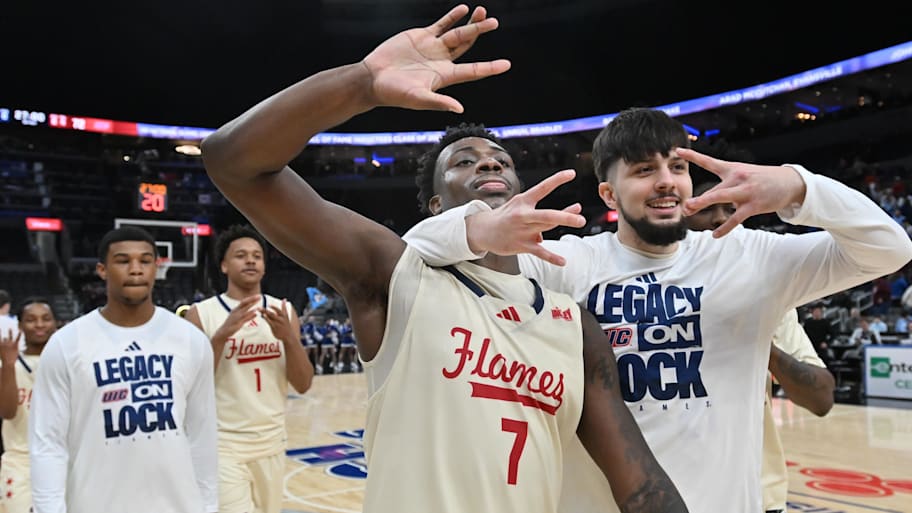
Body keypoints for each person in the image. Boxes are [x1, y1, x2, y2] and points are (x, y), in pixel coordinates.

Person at [200, 5, 687, 513]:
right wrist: (363, 83)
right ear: (437, 206)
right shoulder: (394, 274)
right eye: (465, 161)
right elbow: (234, 163)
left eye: (501, 160)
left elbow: (642, 486)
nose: (489, 163)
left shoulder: (573, 325)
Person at [401, 107, 912, 512]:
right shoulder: (563, 262)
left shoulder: (750, 255)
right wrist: (475, 228)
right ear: (608, 192)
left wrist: (801, 188)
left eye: (678, 167)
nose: (666, 181)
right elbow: (414, 259)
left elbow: (890, 249)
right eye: (645, 170)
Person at [28, 226, 218, 513]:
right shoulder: (67, 344)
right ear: (102, 270)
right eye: (123, 261)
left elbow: (202, 436)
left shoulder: (190, 340)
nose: (135, 269)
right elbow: (48, 442)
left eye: (145, 261)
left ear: (157, 267)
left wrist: (209, 506)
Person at [684, 178, 835, 513]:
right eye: (707, 206)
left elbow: (821, 398)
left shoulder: (765, 296)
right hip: (668, 492)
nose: (720, 218)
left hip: (755, 496)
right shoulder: (633, 295)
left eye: (731, 209)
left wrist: (759, 342)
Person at [184, 224, 314, 513]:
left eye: (257, 255)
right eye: (241, 255)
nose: (251, 260)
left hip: (272, 440)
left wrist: (289, 339)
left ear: (265, 267)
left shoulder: (284, 310)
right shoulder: (200, 313)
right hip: (223, 444)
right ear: (224, 265)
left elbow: (303, 384)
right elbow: (189, 385)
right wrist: (220, 336)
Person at [0, 297, 57, 513]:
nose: (40, 325)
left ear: (55, 323)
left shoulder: (67, 364)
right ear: (21, 325)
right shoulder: (8, 365)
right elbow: (7, 411)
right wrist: (6, 365)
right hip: (19, 459)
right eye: (31, 320)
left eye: (46, 319)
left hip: (58, 457)